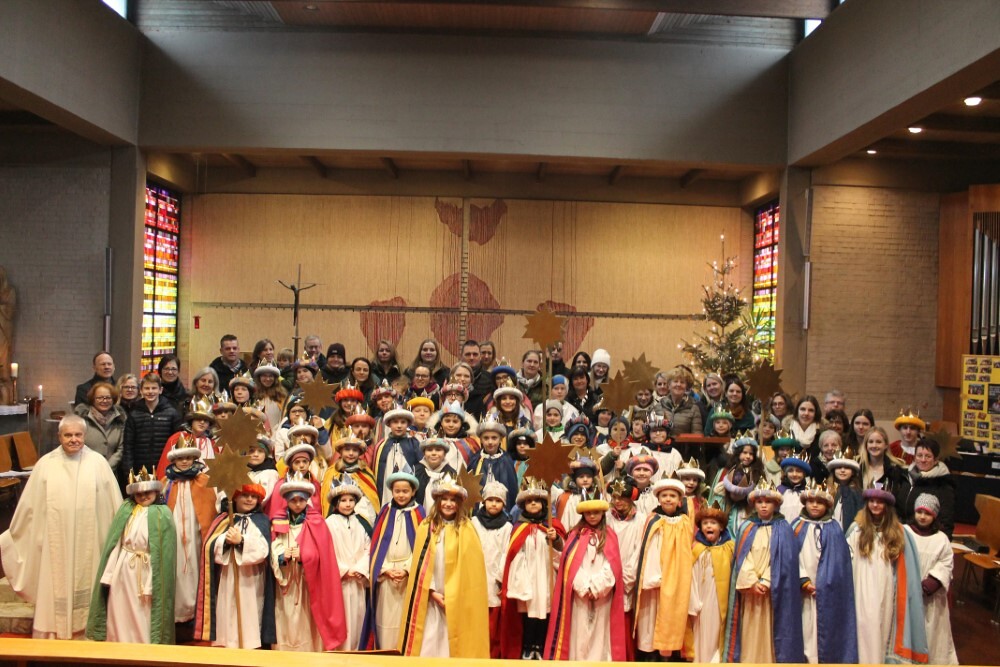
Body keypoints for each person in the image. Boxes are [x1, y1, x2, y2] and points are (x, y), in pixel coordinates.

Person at [0, 415, 122, 639]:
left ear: (84, 435)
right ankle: (52, 636)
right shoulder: (46, 464)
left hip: (89, 543)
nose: (74, 439)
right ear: (59, 436)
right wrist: (10, 538)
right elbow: (30, 507)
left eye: (78, 435)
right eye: (68, 435)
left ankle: (88, 635)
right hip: (54, 543)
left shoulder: (98, 464)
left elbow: (112, 505)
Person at [399, 474, 490, 657]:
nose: (448, 504)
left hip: (458, 600)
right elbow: (420, 565)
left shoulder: (466, 528)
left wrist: (453, 595)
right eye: (445, 499)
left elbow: (471, 570)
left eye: (453, 500)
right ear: (438, 501)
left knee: (451, 644)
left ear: (459, 503)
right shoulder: (426, 527)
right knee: (429, 641)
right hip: (430, 597)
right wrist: (432, 592)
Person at [86, 468, 176, 644]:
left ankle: (143, 647)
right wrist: (109, 573)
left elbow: (164, 554)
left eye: (147, 492)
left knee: (143, 611)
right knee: (121, 608)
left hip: (148, 571)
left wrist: (152, 583)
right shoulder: (126, 511)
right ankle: (119, 642)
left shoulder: (163, 514)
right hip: (124, 569)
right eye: (139, 493)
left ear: (155, 492)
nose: (143, 496)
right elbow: (115, 543)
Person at [722, 478, 805, 663]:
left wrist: (766, 581)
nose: (764, 506)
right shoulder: (746, 527)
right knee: (750, 630)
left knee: (770, 630)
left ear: (776, 504)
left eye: (768, 502)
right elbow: (742, 557)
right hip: (750, 591)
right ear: (754, 504)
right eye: (759, 502)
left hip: (772, 592)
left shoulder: (784, 528)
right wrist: (752, 581)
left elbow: (783, 560)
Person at [846, 485, 929, 664]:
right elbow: (846, 558)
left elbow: (905, 566)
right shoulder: (857, 529)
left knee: (880, 626)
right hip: (860, 586)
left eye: (880, 502)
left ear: (887, 506)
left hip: (884, 587)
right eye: (872, 501)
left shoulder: (898, 531)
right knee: (862, 625)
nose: (875, 505)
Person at [270, 473, 348, 652]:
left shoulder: (317, 521)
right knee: (286, 620)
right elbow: (274, 546)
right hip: (286, 582)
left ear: (307, 500)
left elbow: (323, 555)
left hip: (308, 583)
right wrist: (281, 555)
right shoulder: (279, 521)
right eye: (293, 500)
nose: (297, 504)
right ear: (286, 500)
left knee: (307, 623)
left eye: (301, 500)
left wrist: (304, 555)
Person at [194, 483, 275, 649]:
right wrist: (225, 541)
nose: (249, 499)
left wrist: (242, 541)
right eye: (245, 495)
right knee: (228, 608)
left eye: (254, 497)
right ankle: (227, 643)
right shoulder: (224, 519)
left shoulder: (261, 520)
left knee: (249, 611)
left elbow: (263, 549)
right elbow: (210, 546)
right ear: (235, 497)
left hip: (251, 578)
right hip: (228, 575)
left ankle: (250, 645)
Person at [545, 497, 626, 661]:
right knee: (579, 633)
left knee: (600, 634)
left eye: (596, 512)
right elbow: (570, 563)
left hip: (603, 595)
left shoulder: (610, 535)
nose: (592, 516)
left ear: (602, 513)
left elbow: (613, 566)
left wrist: (596, 587)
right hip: (580, 595)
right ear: (583, 514)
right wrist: (584, 587)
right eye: (588, 513)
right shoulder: (575, 535)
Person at [790, 480, 858, 664]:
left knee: (825, 631)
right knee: (805, 630)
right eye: (811, 501)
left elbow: (840, 562)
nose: (814, 505)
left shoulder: (834, 528)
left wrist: (826, 582)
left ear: (827, 505)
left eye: (819, 502)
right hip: (802, 592)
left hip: (827, 592)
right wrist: (803, 580)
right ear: (805, 503)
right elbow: (790, 557)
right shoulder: (796, 527)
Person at [498, 477, 566, 660]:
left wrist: (555, 540)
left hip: (546, 576)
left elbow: (563, 553)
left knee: (545, 611)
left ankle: (541, 645)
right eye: (529, 501)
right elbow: (511, 553)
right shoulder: (518, 527)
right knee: (527, 613)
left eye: (537, 500)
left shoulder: (552, 526)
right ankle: (528, 645)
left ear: (544, 503)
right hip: (526, 578)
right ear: (523, 505)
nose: (533, 503)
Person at [360, 471, 425, 650]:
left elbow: (422, 548)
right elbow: (377, 546)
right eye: (397, 491)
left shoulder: (419, 513)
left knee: (405, 621)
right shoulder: (385, 512)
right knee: (385, 621)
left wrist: (406, 569)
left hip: (407, 578)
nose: (401, 495)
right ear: (391, 491)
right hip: (386, 578)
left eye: (405, 491)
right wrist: (386, 569)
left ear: (413, 491)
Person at [634, 476, 693, 660]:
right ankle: (650, 654)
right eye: (664, 495)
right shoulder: (653, 519)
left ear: (679, 499)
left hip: (676, 575)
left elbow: (686, 549)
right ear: (658, 498)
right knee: (652, 616)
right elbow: (648, 549)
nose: (668, 499)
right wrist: (653, 576)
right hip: (655, 576)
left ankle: (668, 654)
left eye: (672, 496)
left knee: (671, 613)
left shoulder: (684, 521)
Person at [160, 435, 217, 624]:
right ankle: (177, 614)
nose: (184, 462)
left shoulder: (205, 481)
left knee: (196, 568)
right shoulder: (167, 483)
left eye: (188, 458)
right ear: (174, 460)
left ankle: (197, 613)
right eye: (180, 458)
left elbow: (212, 505)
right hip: (174, 535)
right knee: (176, 570)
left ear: (194, 459)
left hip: (197, 534)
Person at [905, 494, 958, 665]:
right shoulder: (904, 532)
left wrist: (929, 585)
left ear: (934, 516)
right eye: (919, 511)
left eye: (927, 513)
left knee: (930, 634)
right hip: (906, 594)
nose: (922, 516)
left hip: (930, 598)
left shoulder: (941, 539)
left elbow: (946, 564)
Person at [325, 479, 373, 651]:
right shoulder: (329, 523)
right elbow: (326, 550)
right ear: (336, 503)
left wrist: (360, 569)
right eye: (343, 500)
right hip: (340, 580)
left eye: (351, 500)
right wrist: (343, 570)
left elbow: (369, 548)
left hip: (357, 580)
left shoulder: (361, 522)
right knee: (342, 617)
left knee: (358, 617)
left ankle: (356, 651)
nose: (348, 504)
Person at [688, 501, 735, 663]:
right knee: (700, 632)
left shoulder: (729, 548)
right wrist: (694, 602)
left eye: (713, 523)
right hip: (700, 600)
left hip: (719, 601)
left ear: (721, 527)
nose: (709, 526)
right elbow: (691, 577)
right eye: (705, 523)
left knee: (717, 630)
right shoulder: (696, 548)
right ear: (700, 527)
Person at [472, 479, 513, 658]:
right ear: (484, 501)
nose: (494, 504)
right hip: (475, 577)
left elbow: (506, 553)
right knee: (475, 619)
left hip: (495, 580)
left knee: (493, 624)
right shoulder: (473, 522)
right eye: (490, 500)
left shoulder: (507, 526)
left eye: (498, 501)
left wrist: (501, 578)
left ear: (504, 504)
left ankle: (492, 656)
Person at [122, 372, 183, 480]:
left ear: (160, 390)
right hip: (140, 470)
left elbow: (178, 442)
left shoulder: (171, 413)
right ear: (141, 391)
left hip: (166, 468)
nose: (150, 391)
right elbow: (128, 446)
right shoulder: (134, 414)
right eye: (147, 388)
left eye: (154, 388)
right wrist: (129, 472)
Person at [903, 438, 956, 537]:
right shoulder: (905, 478)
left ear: (935, 460)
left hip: (928, 538)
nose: (923, 460)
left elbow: (946, 522)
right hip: (903, 534)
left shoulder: (943, 484)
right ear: (914, 458)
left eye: (928, 456)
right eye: (919, 455)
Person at [75, 382, 127, 476]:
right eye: (99, 397)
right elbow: (77, 444)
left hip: (111, 473)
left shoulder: (120, 419)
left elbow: (121, 448)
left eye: (108, 398)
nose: (104, 400)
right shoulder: (82, 418)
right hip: (85, 471)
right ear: (92, 399)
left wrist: (107, 468)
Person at [659, 366, 703, 436]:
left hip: (684, 443)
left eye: (682, 382)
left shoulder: (694, 408)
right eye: (675, 381)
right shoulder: (660, 404)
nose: (679, 384)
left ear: (686, 387)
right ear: (669, 385)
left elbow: (697, 436)